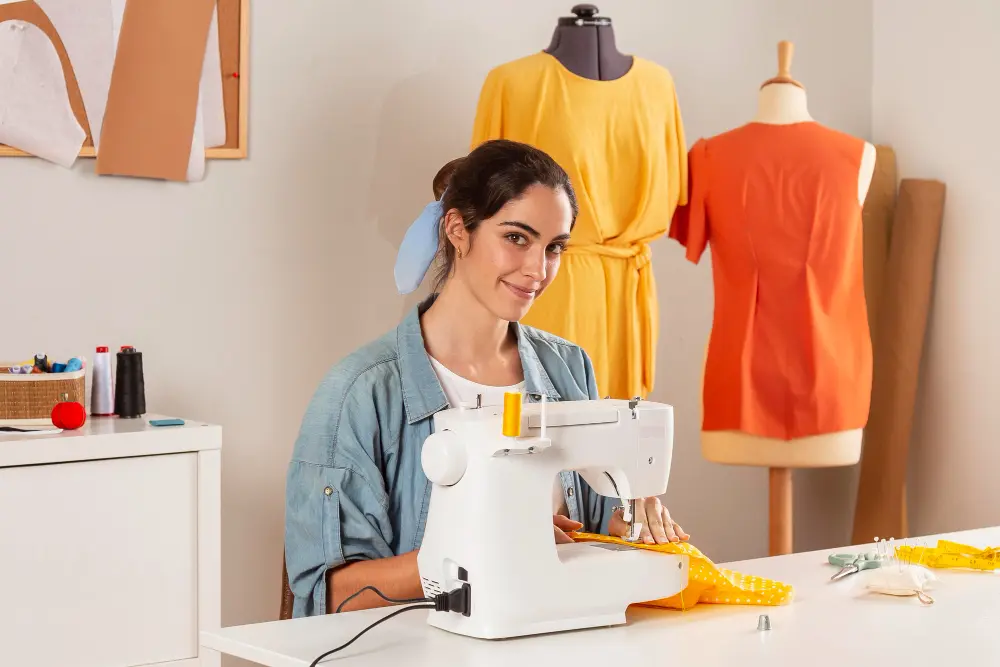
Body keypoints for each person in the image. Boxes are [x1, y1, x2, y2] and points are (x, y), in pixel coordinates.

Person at [284, 139, 688, 617]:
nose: (537, 270)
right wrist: (472, 549)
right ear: (458, 229)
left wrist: (635, 523)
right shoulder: (362, 393)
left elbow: (596, 529)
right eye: (517, 238)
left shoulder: (568, 368)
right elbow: (329, 595)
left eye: (553, 247)